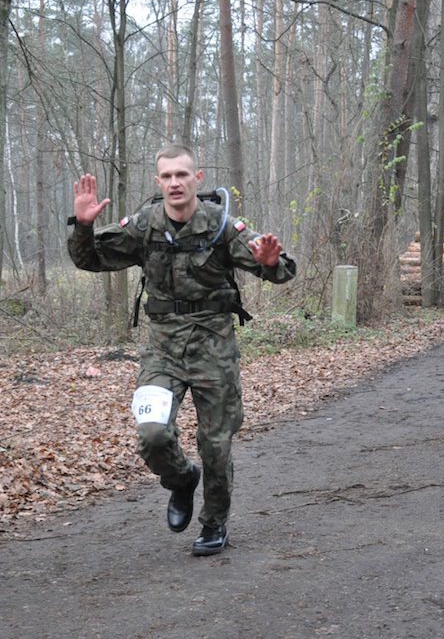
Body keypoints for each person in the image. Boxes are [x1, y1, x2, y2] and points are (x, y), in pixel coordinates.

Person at [67, 143, 296, 556]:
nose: (175, 182)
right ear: (158, 182)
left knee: (216, 445)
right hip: (163, 350)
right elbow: (91, 260)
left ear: (197, 178)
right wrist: (83, 225)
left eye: (182, 175)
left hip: (213, 348)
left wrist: (268, 262)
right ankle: (181, 479)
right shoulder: (144, 226)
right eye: (167, 176)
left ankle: (214, 523)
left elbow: (280, 268)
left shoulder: (222, 225)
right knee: (152, 434)